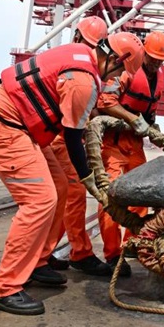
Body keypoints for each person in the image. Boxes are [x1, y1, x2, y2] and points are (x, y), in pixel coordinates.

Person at [0, 32, 144, 316]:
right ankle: (4, 287)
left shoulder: (81, 54)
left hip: (21, 127)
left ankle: (38, 261)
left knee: (61, 187)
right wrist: (90, 180)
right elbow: (74, 138)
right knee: (39, 200)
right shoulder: (83, 82)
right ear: (114, 59)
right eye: (120, 71)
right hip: (4, 127)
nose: (117, 78)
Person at [96, 31, 164, 276]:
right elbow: (105, 101)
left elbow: (150, 112)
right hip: (113, 143)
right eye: (153, 58)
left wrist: (154, 128)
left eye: (161, 60)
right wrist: (131, 119)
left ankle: (132, 243)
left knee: (141, 194)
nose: (156, 63)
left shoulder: (158, 79)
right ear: (144, 54)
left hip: (135, 145)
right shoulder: (126, 72)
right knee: (111, 197)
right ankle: (112, 254)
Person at [44, 16, 115, 276]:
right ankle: (80, 252)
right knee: (73, 195)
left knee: (61, 198)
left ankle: (43, 254)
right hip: (62, 138)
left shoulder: (69, 61)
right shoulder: (82, 72)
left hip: (62, 135)